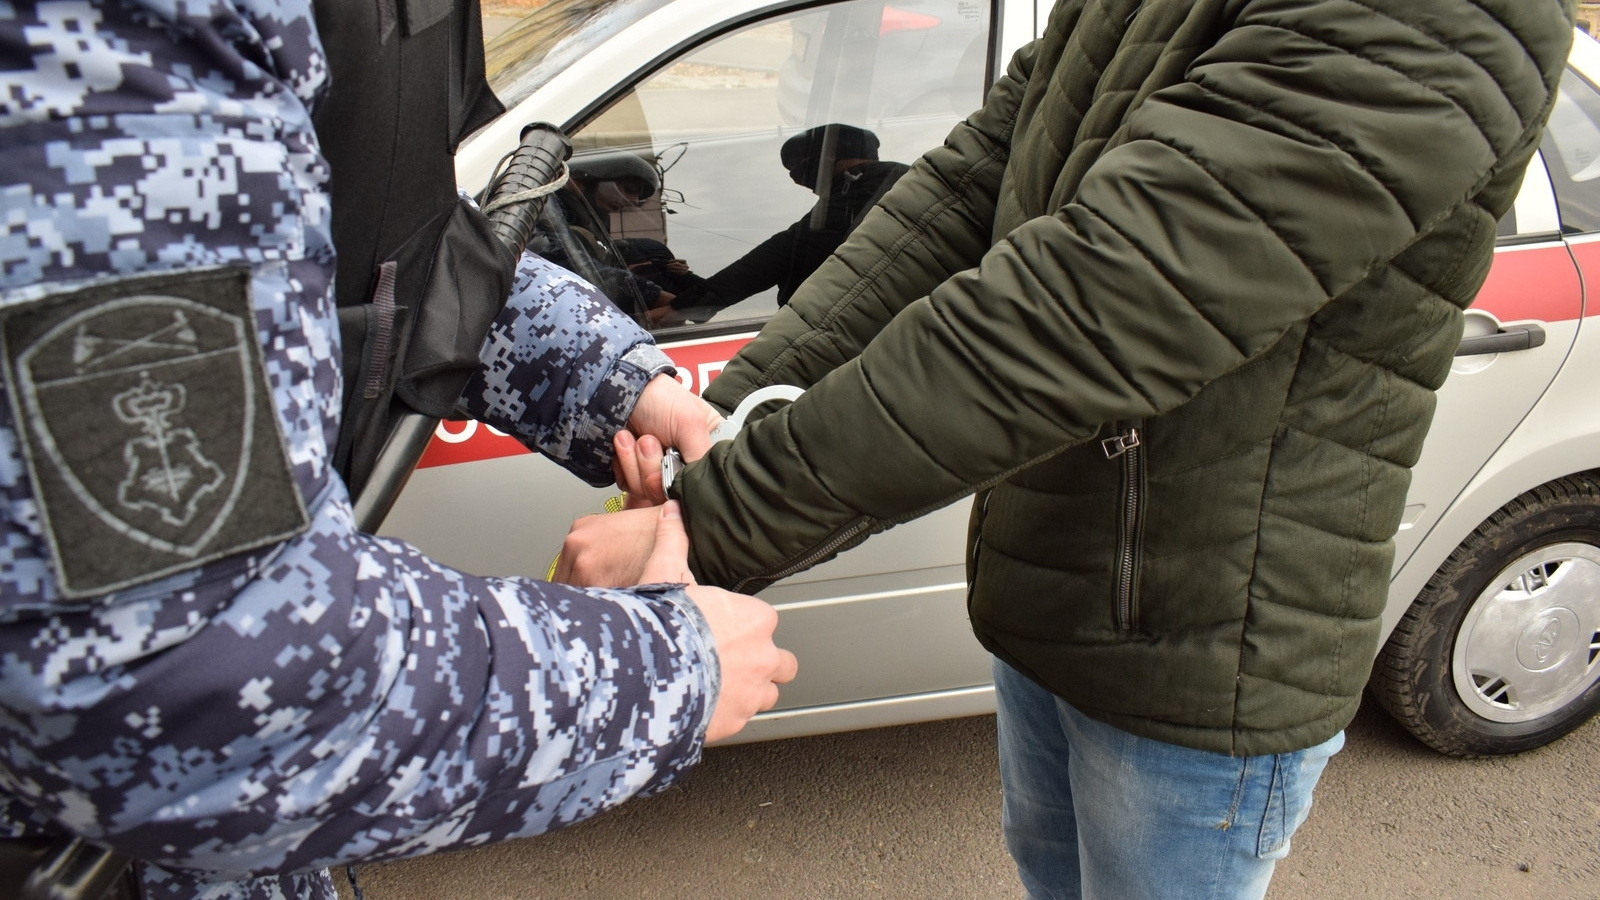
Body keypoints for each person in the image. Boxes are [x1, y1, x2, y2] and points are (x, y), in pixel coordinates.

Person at [561, 2, 1576, 898]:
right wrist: (726, 422)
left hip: (1200, 644)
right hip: (1059, 593)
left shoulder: (1443, 16)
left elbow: (1088, 303)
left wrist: (712, 522)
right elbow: (967, 193)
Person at [0, 3, 795, 900]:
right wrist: (663, 672)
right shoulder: (111, 44)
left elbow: (381, 242)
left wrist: (618, 385)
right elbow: (186, 674)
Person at [652, 124, 908, 324]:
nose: (800, 182)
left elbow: (778, 254)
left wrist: (681, 308)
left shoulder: (858, 192)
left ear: (829, 157)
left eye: (799, 171)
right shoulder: (906, 183)